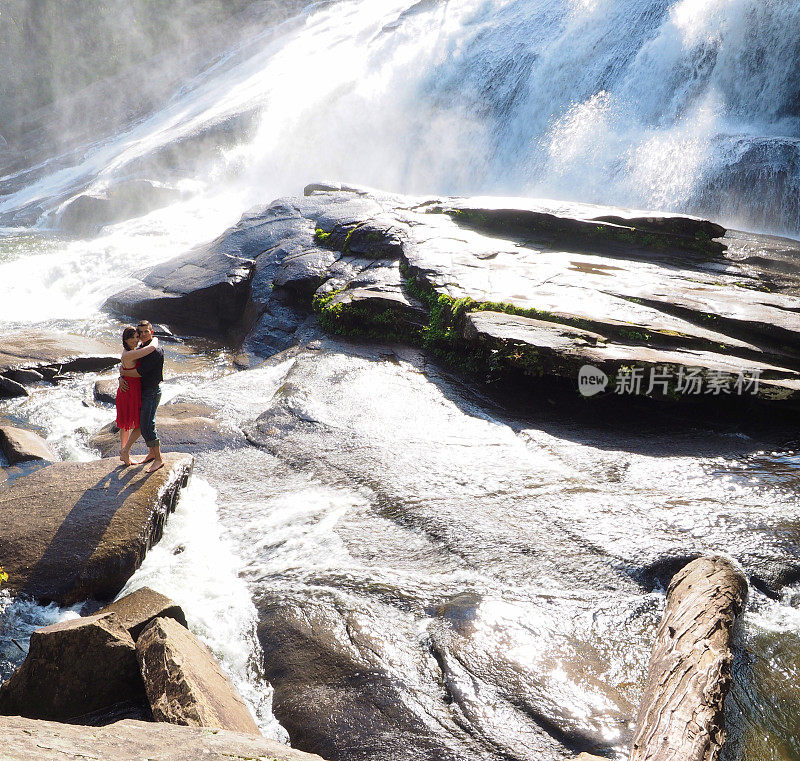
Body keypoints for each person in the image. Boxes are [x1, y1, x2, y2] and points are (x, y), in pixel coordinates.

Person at [119, 320, 165, 473]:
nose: (143, 334)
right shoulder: (142, 348)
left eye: (146, 331)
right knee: (143, 424)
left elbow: (138, 372)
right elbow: (128, 363)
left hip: (150, 391)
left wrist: (123, 373)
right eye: (141, 332)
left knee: (146, 425)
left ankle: (159, 459)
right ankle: (152, 454)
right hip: (141, 392)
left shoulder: (155, 351)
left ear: (152, 332)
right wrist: (121, 377)